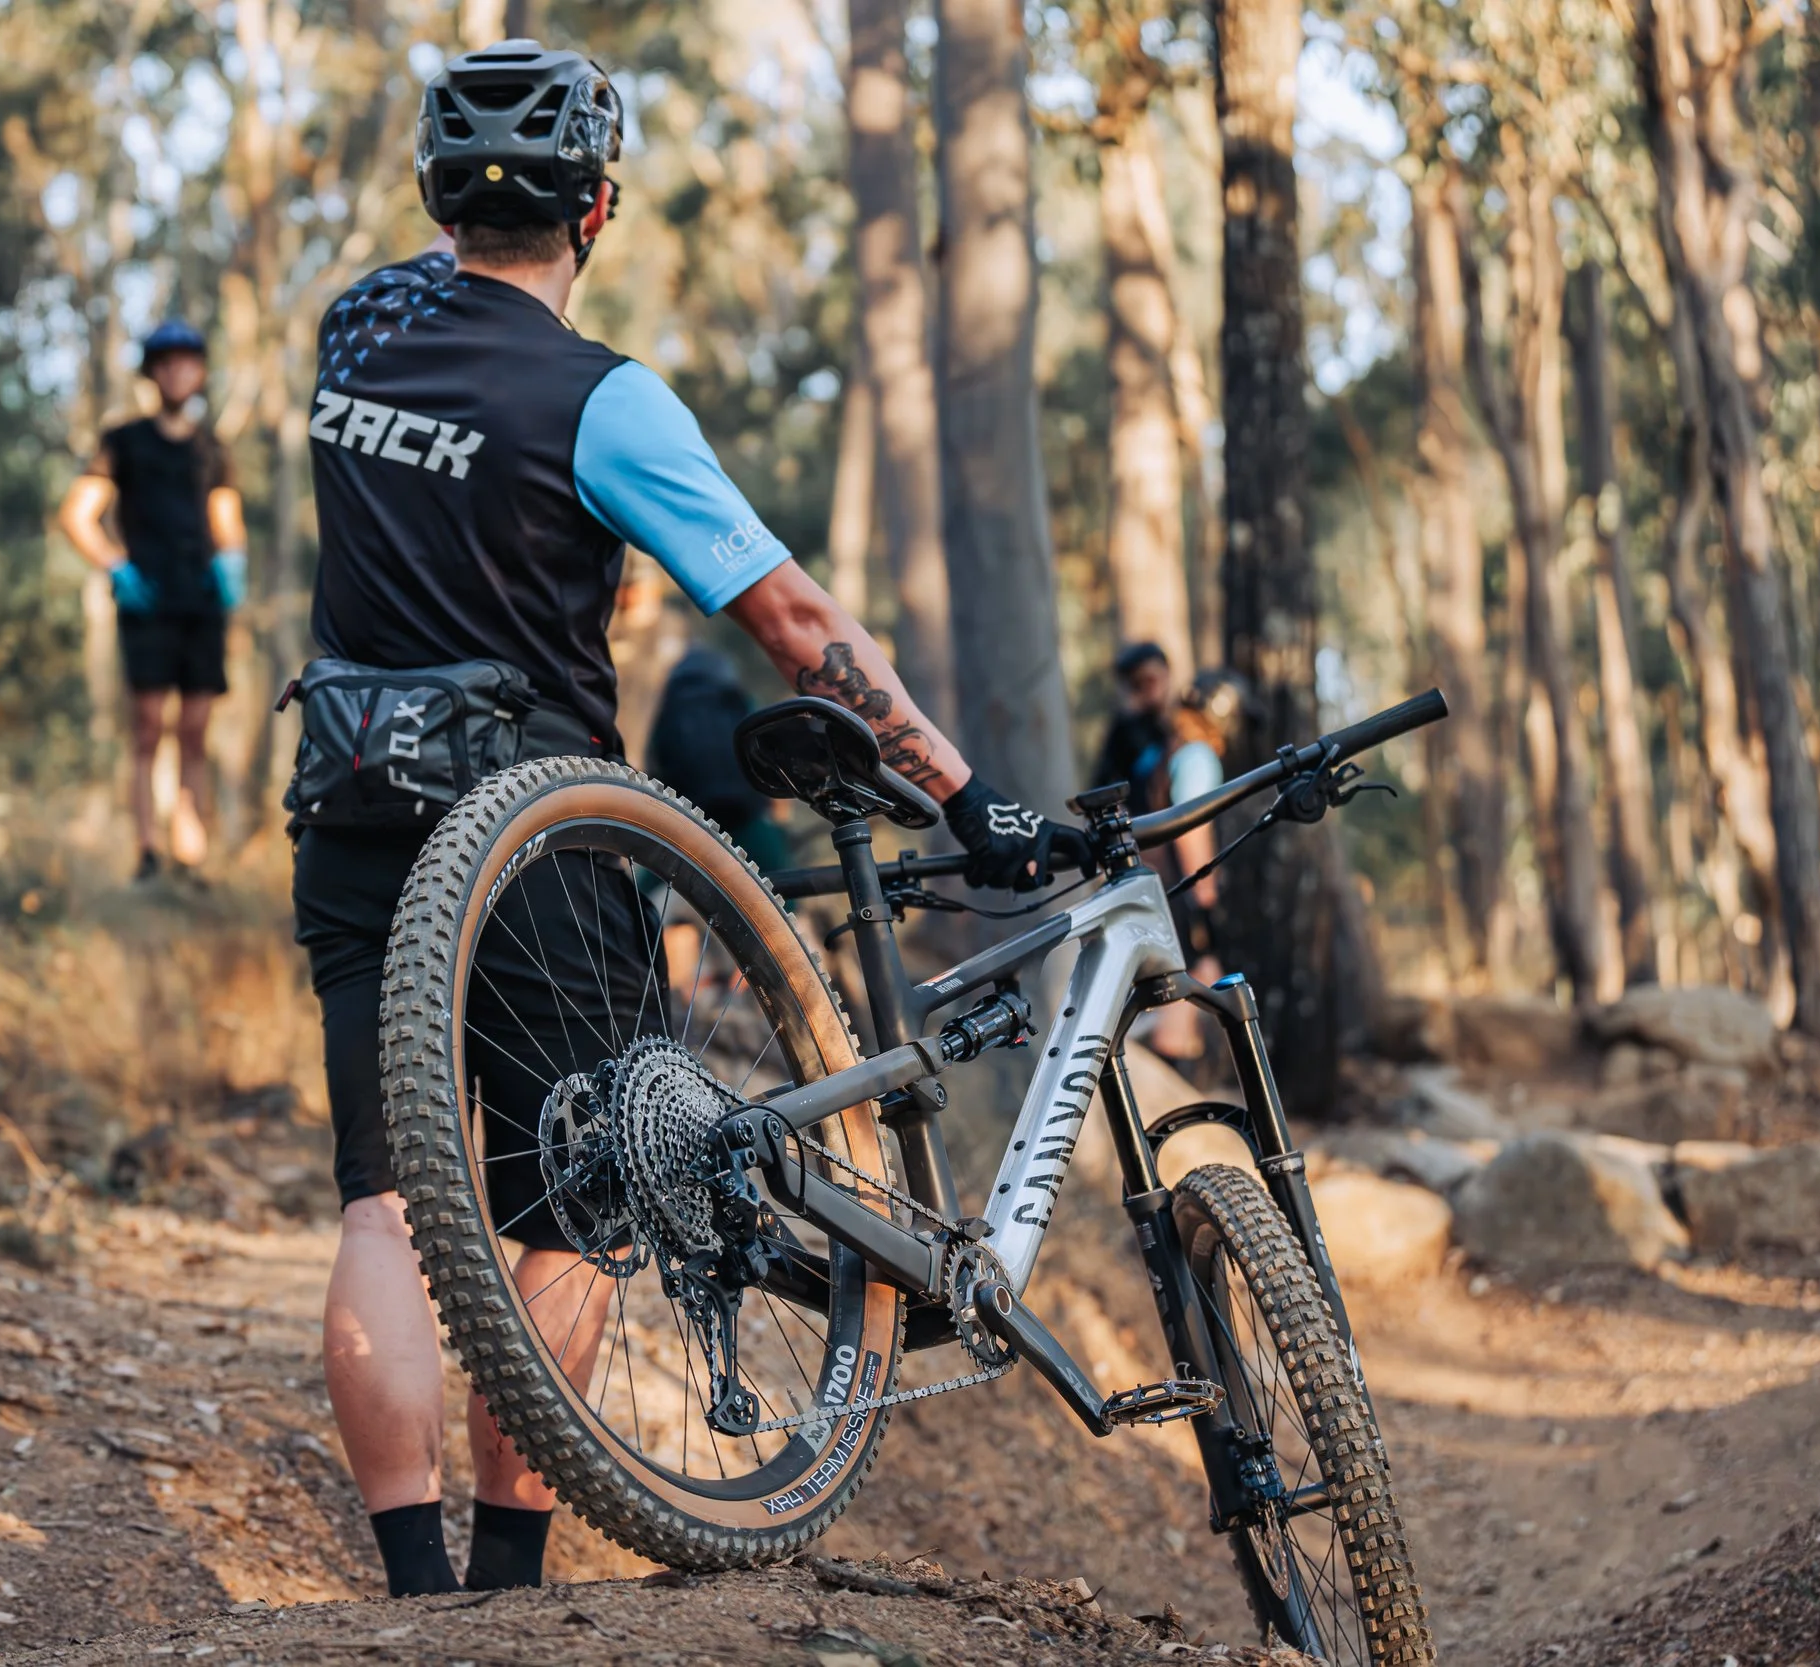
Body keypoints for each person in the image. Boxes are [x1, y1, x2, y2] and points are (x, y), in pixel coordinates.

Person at [289, 39, 1091, 1601]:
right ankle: (509, 1576)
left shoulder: (357, 330)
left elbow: (428, 302)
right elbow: (796, 626)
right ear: (599, 208)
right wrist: (962, 791)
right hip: (540, 831)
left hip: (355, 799)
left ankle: (407, 1579)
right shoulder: (604, 400)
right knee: (570, 1201)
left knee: (381, 1194)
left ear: (437, 195)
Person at [58, 321, 249, 881]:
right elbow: (77, 515)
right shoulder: (123, 441)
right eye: (165, 363)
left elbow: (226, 521)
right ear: (152, 373)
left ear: (201, 372)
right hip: (146, 605)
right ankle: (146, 850)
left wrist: (233, 563)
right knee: (147, 729)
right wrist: (115, 565)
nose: (177, 372)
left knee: (194, 730)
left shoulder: (213, 448)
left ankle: (191, 855)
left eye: (188, 362)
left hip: (201, 606)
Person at [642, 642, 789, 870]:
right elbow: (768, 757)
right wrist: (778, 822)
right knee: (783, 892)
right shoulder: (737, 700)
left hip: (689, 824)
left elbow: (655, 767)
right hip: (747, 817)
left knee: (645, 891)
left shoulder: (672, 707)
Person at [1091, 641, 1175, 812]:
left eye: (1150, 680)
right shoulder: (1124, 731)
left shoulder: (1185, 725)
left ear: (1166, 674)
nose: (1146, 690)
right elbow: (1102, 786)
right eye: (1136, 684)